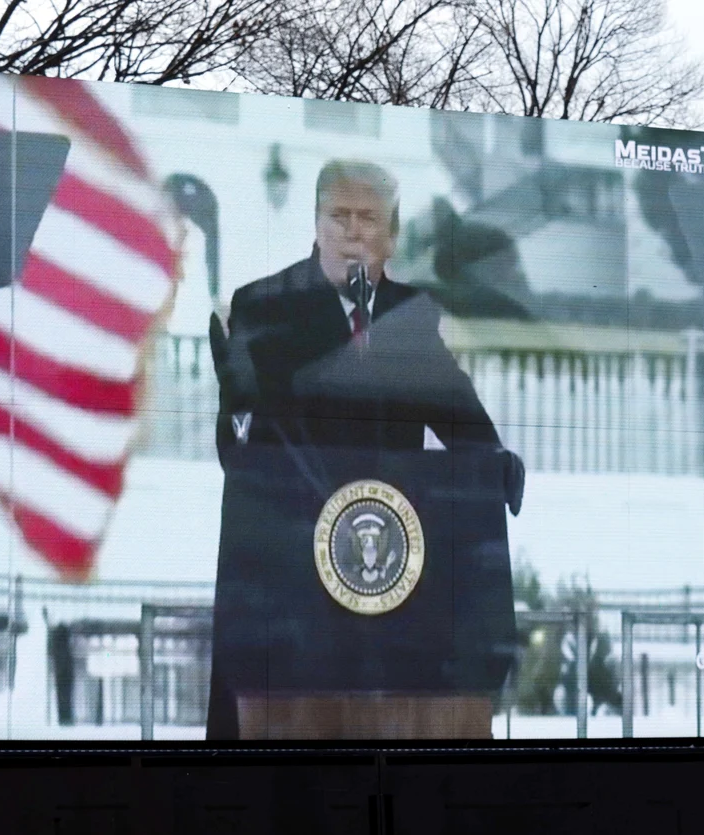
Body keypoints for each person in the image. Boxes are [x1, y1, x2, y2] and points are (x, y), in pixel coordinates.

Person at [207, 159, 523, 740]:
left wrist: (494, 463)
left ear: (392, 235)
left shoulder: (410, 315)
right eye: (340, 217)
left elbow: (456, 411)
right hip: (292, 583)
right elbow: (239, 442)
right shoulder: (263, 305)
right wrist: (241, 406)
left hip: (387, 587)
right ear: (317, 225)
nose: (353, 231)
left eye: (368, 219)